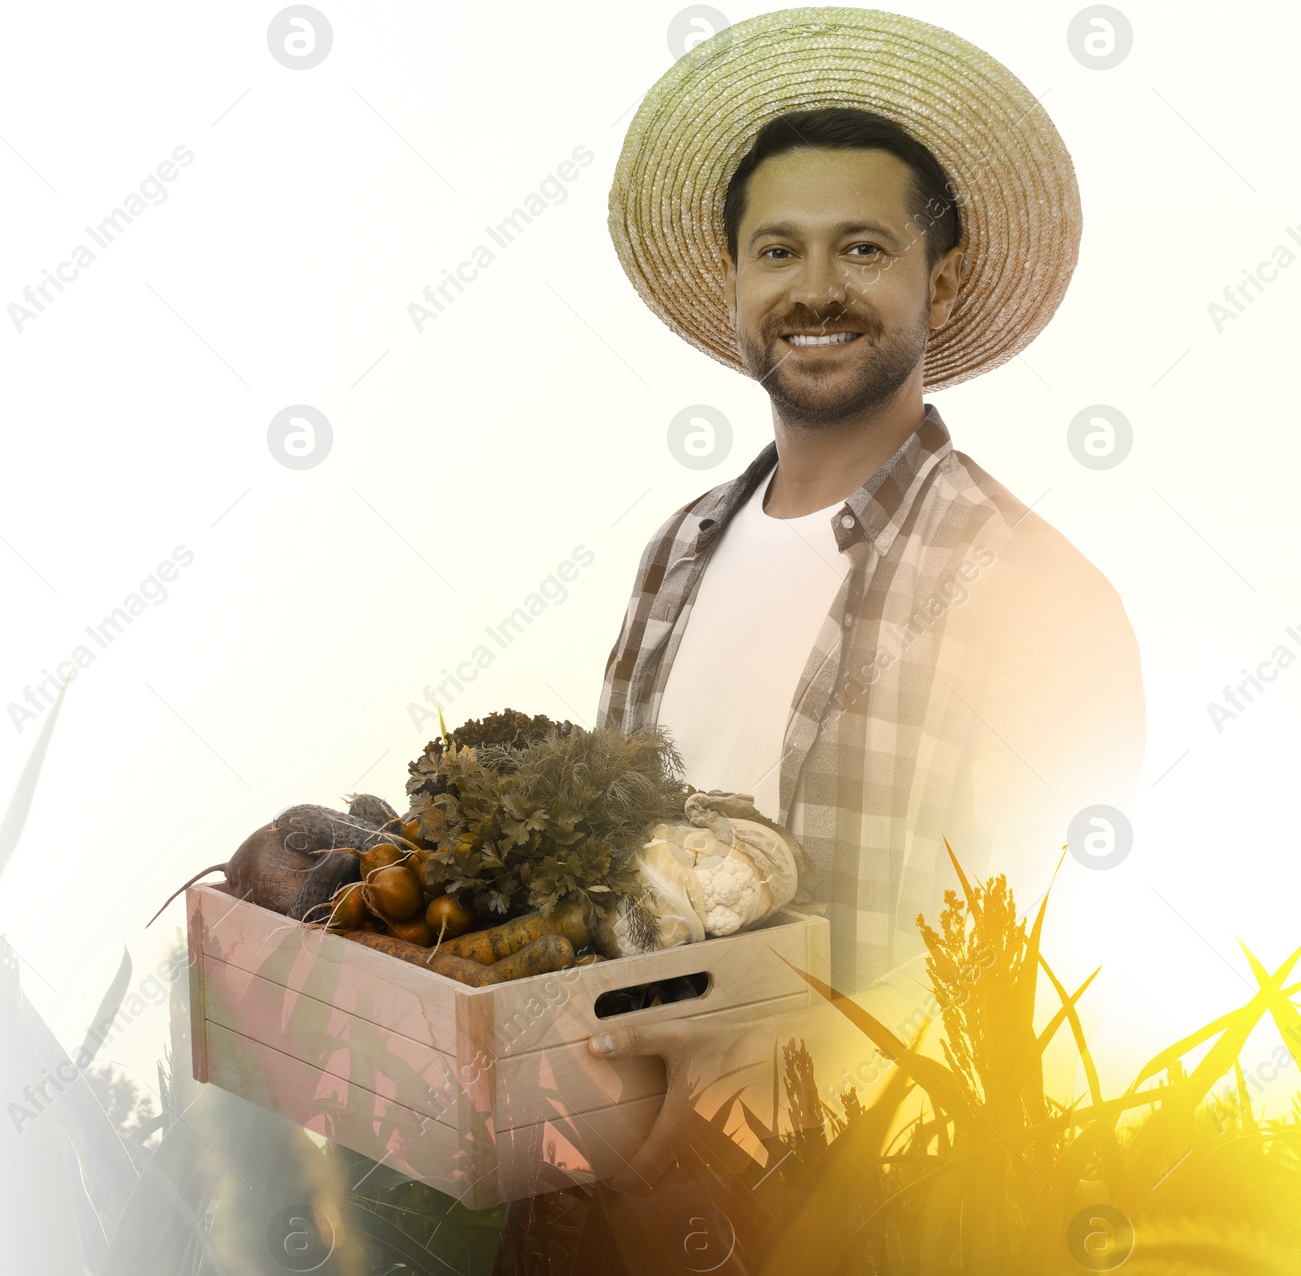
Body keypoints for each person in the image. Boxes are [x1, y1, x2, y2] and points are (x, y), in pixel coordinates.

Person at [550, 4, 1143, 1229]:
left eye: (863, 249)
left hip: (870, 1214)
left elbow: (1061, 973)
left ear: (945, 276)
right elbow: (607, 874)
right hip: (622, 1200)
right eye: (777, 252)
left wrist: (809, 1043)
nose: (814, 290)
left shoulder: (1025, 588)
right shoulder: (677, 554)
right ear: (733, 283)